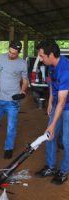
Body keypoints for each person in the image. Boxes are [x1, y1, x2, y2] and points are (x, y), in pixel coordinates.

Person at [0, 41, 28, 159]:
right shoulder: (2, 57)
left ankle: (8, 148)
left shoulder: (22, 64)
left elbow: (25, 80)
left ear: (19, 52)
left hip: (12, 102)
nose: (11, 55)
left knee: (11, 127)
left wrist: (23, 90)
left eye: (14, 53)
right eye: (10, 52)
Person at [35, 39, 69, 185]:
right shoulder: (50, 66)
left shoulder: (66, 69)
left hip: (68, 107)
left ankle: (64, 170)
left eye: (42, 56)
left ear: (51, 55)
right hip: (58, 104)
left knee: (67, 141)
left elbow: (62, 101)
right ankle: (50, 166)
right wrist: (50, 102)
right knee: (49, 136)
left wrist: (53, 124)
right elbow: (51, 83)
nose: (40, 59)